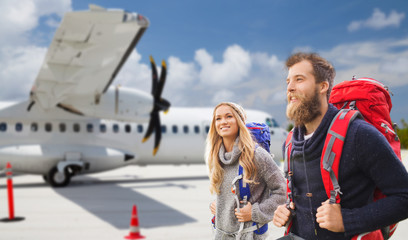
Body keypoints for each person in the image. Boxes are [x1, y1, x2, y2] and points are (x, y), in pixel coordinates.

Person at [272, 52, 408, 239]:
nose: (290, 88)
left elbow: (404, 197)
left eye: (299, 79)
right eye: (288, 81)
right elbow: (304, 199)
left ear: (323, 86)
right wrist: (286, 210)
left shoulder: (359, 134)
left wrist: (348, 220)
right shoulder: (290, 143)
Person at [206, 102, 286, 239]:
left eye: (228, 116)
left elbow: (283, 191)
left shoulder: (256, 155)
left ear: (240, 121)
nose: (223, 122)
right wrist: (218, 206)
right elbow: (228, 194)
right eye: (218, 118)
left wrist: (255, 212)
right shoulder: (217, 157)